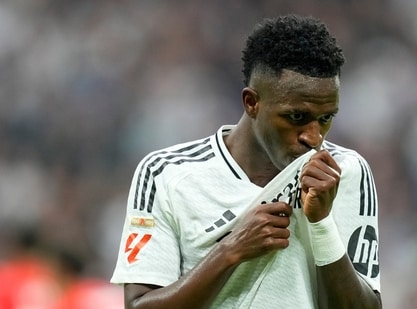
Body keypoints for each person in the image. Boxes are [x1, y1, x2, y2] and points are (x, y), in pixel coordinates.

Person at [111, 14, 381, 308]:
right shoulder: (166, 174)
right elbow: (139, 305)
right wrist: (230, 249)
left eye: (326, 118)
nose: (314, 137)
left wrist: (321, 223)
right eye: (296, 117)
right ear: (252, 102)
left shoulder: (345, 171)